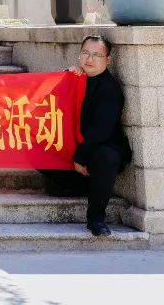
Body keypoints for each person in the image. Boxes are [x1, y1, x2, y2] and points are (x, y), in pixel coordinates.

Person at [38, 34, 132, 237]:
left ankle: (96, 218)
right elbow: (46, 104)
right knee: (33, 144)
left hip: (98, 148)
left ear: (108, 60)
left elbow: (101, 130)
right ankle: (72, 185)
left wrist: (80, 157)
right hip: (72, 146)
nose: (89, 59)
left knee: (106, 156)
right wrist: (66, 77)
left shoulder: (109, 88)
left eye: (97, 55)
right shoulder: (74, 79)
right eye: (85, 53)